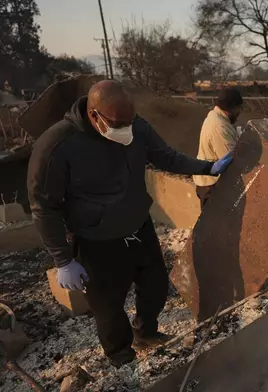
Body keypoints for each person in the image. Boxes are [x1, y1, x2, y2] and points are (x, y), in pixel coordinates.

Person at [27, 80, 233, 367]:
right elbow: (44, 207)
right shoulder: (57, 146)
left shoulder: (136, 127)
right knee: (109, 309)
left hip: (138, 227)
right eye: (117, 123)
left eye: (129, 121)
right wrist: (63, 260)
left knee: (156, 286)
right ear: (94, 114)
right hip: (96, 240)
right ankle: (122, 360)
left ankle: (145, 332)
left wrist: (207, 167)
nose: (125, 129)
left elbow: (166, 157)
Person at [193, 87, 244, 208]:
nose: (239, 112)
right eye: (238, 108)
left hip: (209, 182)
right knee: (215, 225)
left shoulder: (216, 117)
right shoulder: (219, 127)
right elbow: (231, 162)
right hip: (211, 186)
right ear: (232, 108)